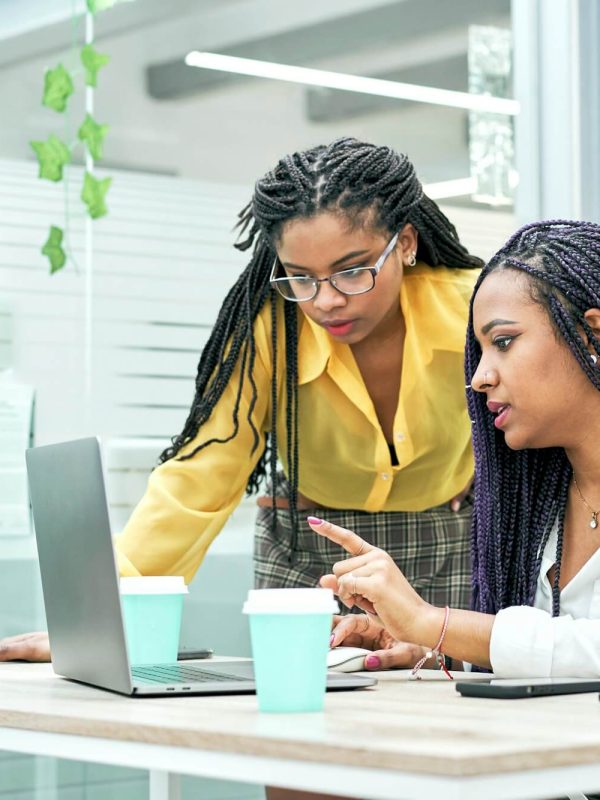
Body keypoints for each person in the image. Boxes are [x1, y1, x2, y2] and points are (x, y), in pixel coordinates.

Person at [0, 137, 481, 667]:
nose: (326, 300)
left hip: (451, 538)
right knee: (297, 721)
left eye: (352, 269)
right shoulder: (271, 327)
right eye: (300, 276)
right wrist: (100, 615)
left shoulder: (477, 311)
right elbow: (205, 470)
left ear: (407, 242)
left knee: (446, 720)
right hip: (307, 549)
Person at [315, 219, 600, 680]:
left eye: (504, 342)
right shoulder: (536, 499)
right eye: (481, 352)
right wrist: (428, 645)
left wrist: (436, 623)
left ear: (592, 334)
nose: (480, 377)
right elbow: (551, 648)